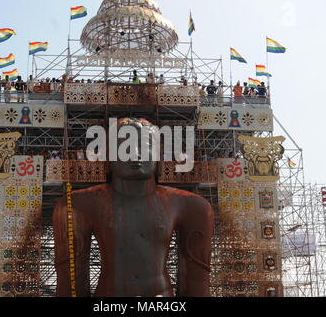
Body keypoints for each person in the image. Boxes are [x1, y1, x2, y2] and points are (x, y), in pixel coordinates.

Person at [53, 118, 214, 297]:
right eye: (126, 147)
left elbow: (196, 283)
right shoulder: (77, 205)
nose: (136, 154)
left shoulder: (191, 206)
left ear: (159, 154)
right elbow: (71, 282)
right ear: (108, 155)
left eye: (145, 147)